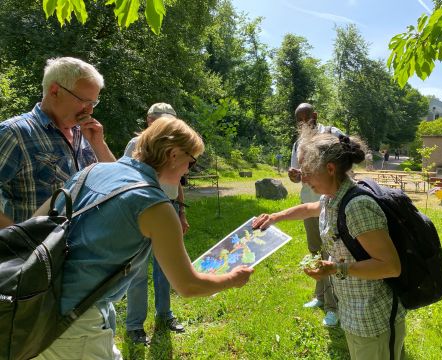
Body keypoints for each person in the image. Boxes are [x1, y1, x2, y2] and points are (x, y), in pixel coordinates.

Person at [32, 116, 253, 359]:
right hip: (75, 323)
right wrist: (232, 278)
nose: (187, 171)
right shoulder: (155, 205)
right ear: (173, 154)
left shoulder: (92, 170)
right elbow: (188, 285)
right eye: (191, 162)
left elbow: (35, 225)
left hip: (34, 303)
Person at [253, 130, 405, 360]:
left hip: (374, 319)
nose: (304, 179)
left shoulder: (357, 206)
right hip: (354, 312)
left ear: (330, 169)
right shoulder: (332, 198)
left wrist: (335, 268)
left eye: (308, 172)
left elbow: (390, 267)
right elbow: (308, 209)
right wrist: (275, 217)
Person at [0, 57, 115, 228]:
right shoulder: (14, 133)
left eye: (93, 103)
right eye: (84, 101)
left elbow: (116, 182)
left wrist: (100, 145)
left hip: (79, 249)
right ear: (55, 91)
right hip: (33, 252)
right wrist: (14, 238)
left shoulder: (85, 134)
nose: (90, 110)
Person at [124, 103, 187, 344]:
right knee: (138, 271)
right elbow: (125, 178)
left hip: (169, 208)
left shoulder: (176, 146)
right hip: (142, 211)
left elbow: (177, 181)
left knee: (166, 269)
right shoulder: (135, 145)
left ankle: (165, 315)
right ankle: (135, 325)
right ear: (149, 120)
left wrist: (181, 212)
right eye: (160, 120)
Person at [288, 103, 339, 327]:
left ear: (315, 116)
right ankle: (320, 297)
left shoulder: (332, 134)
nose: (303, 124)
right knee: (315, 251)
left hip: (331, 202)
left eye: (306, 118)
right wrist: (294, 175)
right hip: (309, 202)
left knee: (331, 254)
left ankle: (333, 308)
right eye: (299, 120)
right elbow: (296, 177)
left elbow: (346, 162)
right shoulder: (298, 143)